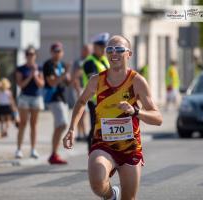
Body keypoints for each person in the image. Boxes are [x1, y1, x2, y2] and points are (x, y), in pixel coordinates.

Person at [63, 35, 163, 200]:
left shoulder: (137, 81)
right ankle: (111, 195)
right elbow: (81, 102)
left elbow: (158, 118)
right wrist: (72, 128)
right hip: (103, 144)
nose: (114, 53)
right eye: (109, 49)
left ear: (129, 54)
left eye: (119, 49)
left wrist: (136, 112)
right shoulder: (96, 80)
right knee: (97, 183)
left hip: (130, 148)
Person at [43, 42, 70, 164]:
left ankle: (54, 153)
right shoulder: (48, 65)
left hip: (62, 98)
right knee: (62, 124)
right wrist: (64, 74)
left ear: (62, 52)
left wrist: (69, 77)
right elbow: (51, 82)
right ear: (51, 52)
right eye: (55, 51)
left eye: (59, 51)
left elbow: (66, 82)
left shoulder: (62, 65)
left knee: (59, 126)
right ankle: (54, 153)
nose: (57, 53)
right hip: (53, 98)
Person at [15, 46, 44, 159]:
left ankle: (33, 149)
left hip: (36, 97)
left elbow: (41, 84)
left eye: (32, 54)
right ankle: (18, 149)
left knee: (34, 125)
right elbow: (20, 85)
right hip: (24, 97)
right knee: (23, 124)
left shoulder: (39, 68)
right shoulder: (20, 69)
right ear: (25, 56)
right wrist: (30, 76)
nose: (30, 56)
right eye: (28, 54)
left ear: (35, 56)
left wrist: (35, 75)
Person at [82, 32, 110, 151]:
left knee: (105, 127)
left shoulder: (104, 59)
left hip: (106, 99)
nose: (104, 50)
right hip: (94, 100)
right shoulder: (90, 62)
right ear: (95, 47)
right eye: (101, 47)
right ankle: (91, 153)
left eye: (105, 47)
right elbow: (94, 81)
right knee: (95, 127)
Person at [72, 44, 92, 141]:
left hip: (88, 89)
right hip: (80, 89)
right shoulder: (78, 62)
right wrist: (77, 90)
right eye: (85, 49)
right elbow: (75, 77)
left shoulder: (91, 61)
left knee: (85, 113)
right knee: (81, 112)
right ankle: (81, 133)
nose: (87, 51)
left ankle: (82, 133)